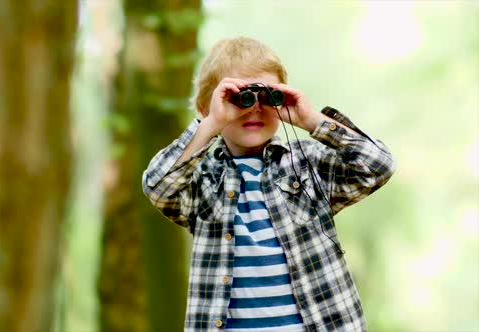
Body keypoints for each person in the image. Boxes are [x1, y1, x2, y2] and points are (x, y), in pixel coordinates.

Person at [141, 37, 396, 332]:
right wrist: (210, 124)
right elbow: (157, 186)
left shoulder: (308, 164)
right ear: (207, 107)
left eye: (268, 96)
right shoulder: (202, 181)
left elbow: (378, 165)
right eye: (238, 98)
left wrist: (311, 120)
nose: (253, 109)